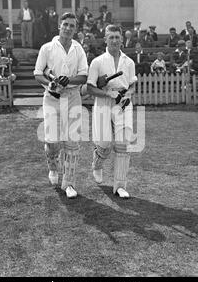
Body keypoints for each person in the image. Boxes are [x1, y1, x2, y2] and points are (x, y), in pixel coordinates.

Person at [34, 12, 88, 198]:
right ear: (59, 26)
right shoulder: (47, 48)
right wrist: (50, 83)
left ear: (75, 29)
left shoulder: (78, 48)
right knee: (53, 142)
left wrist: (70, 80)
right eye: (65, 24)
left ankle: (69, 184)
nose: (68, 28)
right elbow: (38, 73)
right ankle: (52, 166)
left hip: (72, 97)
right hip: (52, 98)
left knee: (72, 142)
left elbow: (84, 75)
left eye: (72, 26)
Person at [85, 24, 137, 199]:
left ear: (121, 39)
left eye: (117, 37)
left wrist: (126, 95)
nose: (114, 40)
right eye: (111, 37)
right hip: (103, 103)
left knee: (123, 144)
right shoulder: (97, 62)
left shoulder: (129, 62)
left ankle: (120, 186)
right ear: (105, 39)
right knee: (105, 143)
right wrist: (108, 93)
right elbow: (90, 88)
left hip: (122, 105)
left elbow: (132, 84)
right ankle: (97, 164)